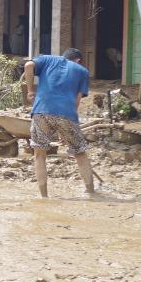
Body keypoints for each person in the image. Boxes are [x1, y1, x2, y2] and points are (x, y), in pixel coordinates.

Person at [24, 48, 95, 199]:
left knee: (39, 155)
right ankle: (91, 193)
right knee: (80, 153)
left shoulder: (47, 59)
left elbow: (28, 66)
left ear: (63, 57)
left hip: (41, 111)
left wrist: (30, 91)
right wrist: (65, 129)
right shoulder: (82, 71)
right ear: (78, 60)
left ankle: (44, 197)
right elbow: (77, 101)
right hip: (67, 114)